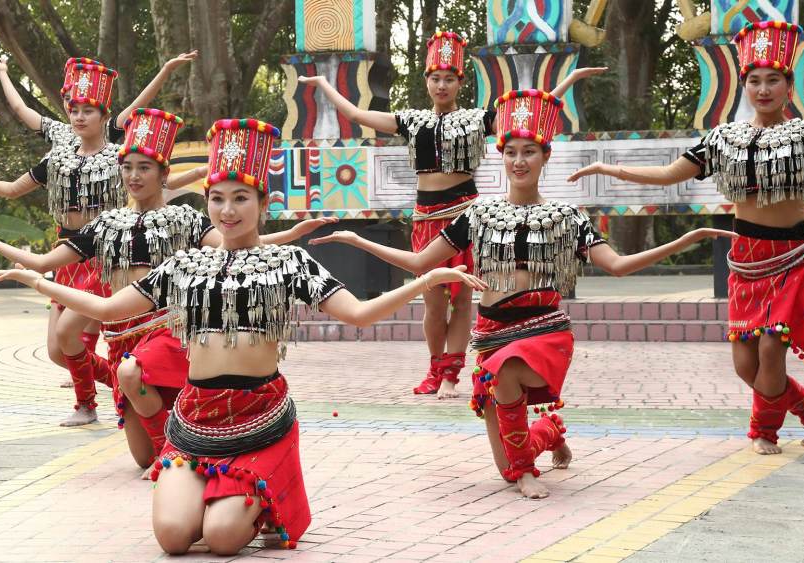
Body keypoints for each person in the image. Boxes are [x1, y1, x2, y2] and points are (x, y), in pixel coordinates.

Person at [0, 117, 486, 553]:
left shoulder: (286, 260)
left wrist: (428, 279)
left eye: (240, 198)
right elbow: (110, 306)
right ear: (206, 203)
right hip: (196, 419)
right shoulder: (185, 263)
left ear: (261, 203)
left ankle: (253, 496)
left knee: (222, 541)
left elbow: (358, 314)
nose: (228, 210)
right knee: (174, 537)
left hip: (259, 417)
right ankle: (220, 494)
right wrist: (35, 279)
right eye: (218, 199)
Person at [311, 89, 735, 498]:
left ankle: (528, 472)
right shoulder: (478, 214)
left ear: (545, 155)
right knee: (505, 463)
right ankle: (549, 433)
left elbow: (618, 266)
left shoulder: (566, 216)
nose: (519, 160)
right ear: (500, 156)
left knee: (508, 376)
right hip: (492, 333)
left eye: (529, 151)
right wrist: (356, 240)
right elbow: (422, 263)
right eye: (510, 151)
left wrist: (686, 239)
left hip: (544, 331)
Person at [567, 21, 804, 454]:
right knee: (745, 366)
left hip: (795, 257)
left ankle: (763, 431)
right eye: (754, 81)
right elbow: (668, 176)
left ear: (788, 85)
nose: (763, 89)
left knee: (773, 349)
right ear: (744, 86)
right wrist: (610, 168)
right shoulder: (724, 140)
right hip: (747, 260)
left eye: (773, 79)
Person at [0, 109, 334, 438]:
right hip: (120, 332)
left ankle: (164, 448)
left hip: (166, 334)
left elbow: (236, 240)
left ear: (164, 174)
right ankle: (128, 413)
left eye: (144, 168)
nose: (134, 176)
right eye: (127, 168)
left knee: (136, 385)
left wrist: (289, 235)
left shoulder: (184, 218)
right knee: (75, 351)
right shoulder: (107, 223)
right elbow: (44, 262)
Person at [299, 30, 605, 399]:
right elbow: (354, 113)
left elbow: (530, 112)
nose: (441, 85)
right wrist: (321, 84)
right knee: (431, 298)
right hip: (426, 218)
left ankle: (452, 372)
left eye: (448, 78)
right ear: (426, 81)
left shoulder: (478, 119)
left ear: (459, 82)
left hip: (464, 213)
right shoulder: (412, 121)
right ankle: (433, 366)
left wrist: (568, 81)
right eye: (435, 78)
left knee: (462, 297)